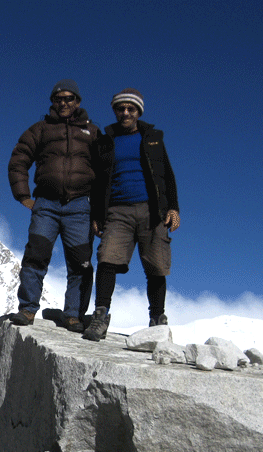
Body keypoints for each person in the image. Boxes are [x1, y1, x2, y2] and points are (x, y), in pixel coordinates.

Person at [82, 88, 180, 342]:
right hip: (117, 210)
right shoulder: (105, 141)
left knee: (156, 265)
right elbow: (97, 181)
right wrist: (96, 215)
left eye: (131, 109)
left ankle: (157, 320)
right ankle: (100, 315)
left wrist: (173, 208)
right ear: (115, 111)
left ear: (139, 112)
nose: (125, 113)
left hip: (152, 209)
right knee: (107, 258)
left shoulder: (153, 138)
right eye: (120, 108)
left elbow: (167, 175)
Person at [7, 79, 100, 331]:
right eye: (59, 99)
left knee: (81, 263)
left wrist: (99, 212)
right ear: (52, 102)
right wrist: (23, 196)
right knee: (35, 256)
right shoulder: (40, 129)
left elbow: (104, 172)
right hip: (46, 204)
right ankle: (27, 310)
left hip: (80, 207)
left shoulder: (92, 132)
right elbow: (19, 159)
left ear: (77, 102)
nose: (64, 103)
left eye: (69, 98)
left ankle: (73, 315)